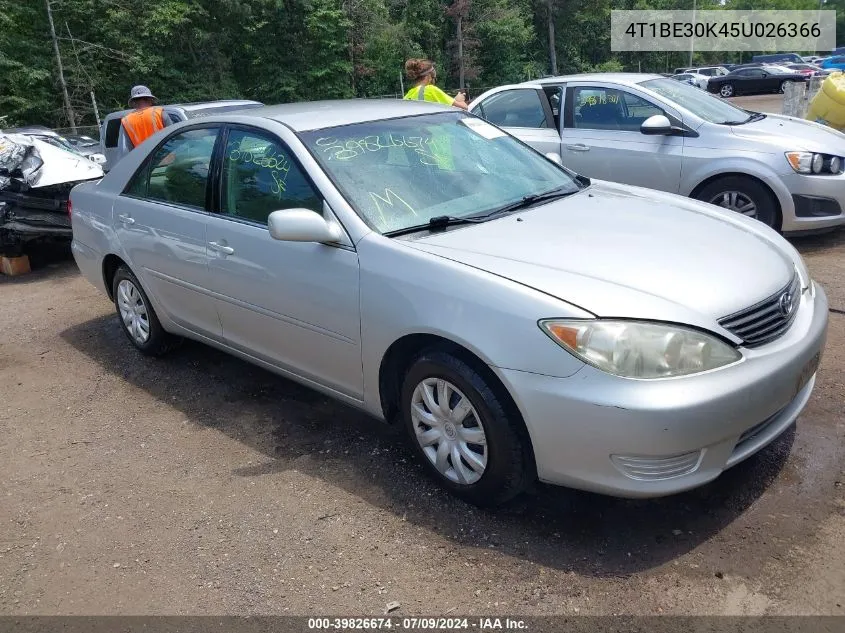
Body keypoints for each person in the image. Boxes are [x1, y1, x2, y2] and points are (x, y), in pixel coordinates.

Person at [117, 85, 172, 154]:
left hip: (143, 160)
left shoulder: (126, 121)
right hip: (164, 156)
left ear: (134, 102)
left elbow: (130, 147)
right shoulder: (159, 113)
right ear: (150, 99)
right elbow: (174, 137)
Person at [403, 59, 468, 110]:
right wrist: (459, 100)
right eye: (433, 76)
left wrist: (453, 100)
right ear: (428, 76)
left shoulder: (407, 96)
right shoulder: (431, 90)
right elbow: (464, 107)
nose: (433, 79)